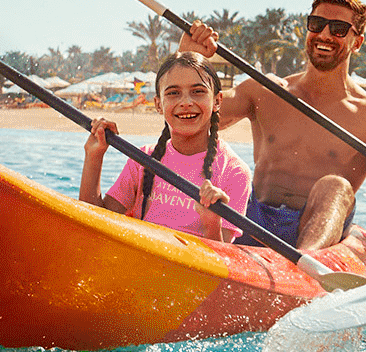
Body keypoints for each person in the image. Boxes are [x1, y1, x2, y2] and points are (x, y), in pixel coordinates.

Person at [174, 0, 366, 252]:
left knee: (336, 186)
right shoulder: (265, 90)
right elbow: (190, 117)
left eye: (338, 29)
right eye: (317, 24)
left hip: (315, 230)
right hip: (253, 215)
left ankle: (304, 264)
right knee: (222, 164)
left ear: (357, 42)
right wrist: (186, 59)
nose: (324, 34)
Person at [79, 48, 251, 242]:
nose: (186, 102)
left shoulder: (234, 172)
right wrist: (94, 157)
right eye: (174, 93)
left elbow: (222, 261)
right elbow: (92, 226)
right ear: (158, 104)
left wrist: (212, 224)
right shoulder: (143, 159)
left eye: (198, 91)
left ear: (217, 101)